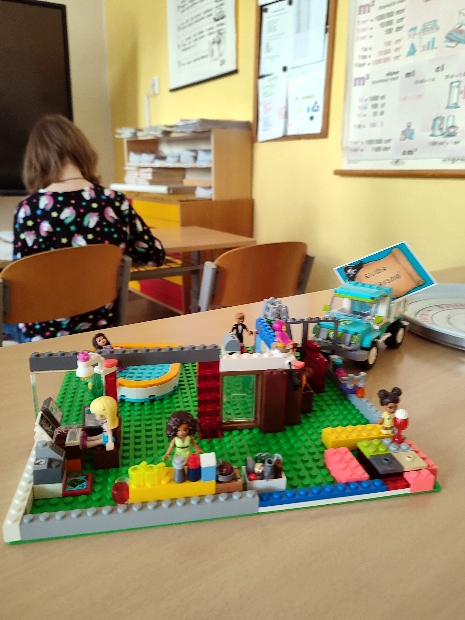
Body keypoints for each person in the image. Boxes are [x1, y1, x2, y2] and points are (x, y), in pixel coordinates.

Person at [7, 114, 165, 343]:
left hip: (44, 335)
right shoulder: (114, 201)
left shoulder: (28, 209)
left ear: (36, 161)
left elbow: (22, 283)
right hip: (100, 329)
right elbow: (154, 255)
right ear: (82, 152)